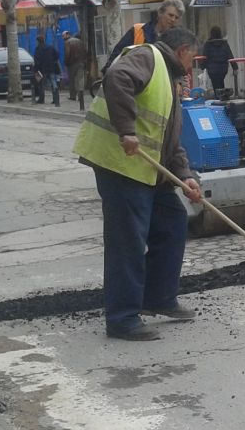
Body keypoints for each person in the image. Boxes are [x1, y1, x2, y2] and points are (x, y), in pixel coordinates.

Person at [73, 26, 203, 341]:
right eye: (193, 59)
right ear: (183, 51)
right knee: (128, 240)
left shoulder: (170, 81)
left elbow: (169, 139)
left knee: (172, 222)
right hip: (121, 165)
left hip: (147, 170)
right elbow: (116, 78)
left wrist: (186, 176)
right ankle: (122, 318)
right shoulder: (149, 56)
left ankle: (158, 298)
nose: (193, 67)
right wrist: (126, 130)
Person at [102, 0, 185, 74]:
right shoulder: (137, 30)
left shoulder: (176, 40)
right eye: (170, 15)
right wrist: (107, 73)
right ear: (160, 13)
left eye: (176, 17)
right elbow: (117, 55)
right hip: (134, 82)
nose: (173, 19)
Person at [198, 25, 235, 96]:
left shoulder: (208, 43)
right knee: (221, 82)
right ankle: (223, 97)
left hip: (212, 69)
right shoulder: (224, 43)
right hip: (223, 68)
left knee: (215, 85)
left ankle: (219, 98)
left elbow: (205, 56)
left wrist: (202, 66)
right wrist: (235, 67)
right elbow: (230, 55)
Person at [32, 32, 62, 105]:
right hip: (51, 68)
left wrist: (36, 69)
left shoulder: (38, 49)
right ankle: (55, 99)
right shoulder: (50, 47)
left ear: (38, 41)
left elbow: (36, 60)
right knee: (53, 83)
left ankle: (41, 99)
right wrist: (53, 61)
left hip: (41, 70)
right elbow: (57, 55)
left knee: (41, 84)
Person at [63, 30, 89, 101]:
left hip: (72, 64)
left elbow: (67, 54)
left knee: (72, 80)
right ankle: (81, 96)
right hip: (81, 63)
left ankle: (73, 96)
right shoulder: (81, 42)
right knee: (80, 79)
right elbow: (86, 52)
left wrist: (66, 63)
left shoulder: (67, 42)